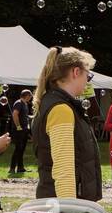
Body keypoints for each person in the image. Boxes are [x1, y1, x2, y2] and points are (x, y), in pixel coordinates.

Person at [31, 46, 104, 202]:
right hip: (64, 206)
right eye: (88, 76)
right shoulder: (60, 109)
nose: (87, 81)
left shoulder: (56, 103)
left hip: (59, 202)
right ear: (76, 72)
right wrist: (69, 212)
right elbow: (64, 169)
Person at [8, 90, 33, 175]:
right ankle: (12, 168)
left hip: (24, 129)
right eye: (30, 96)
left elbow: (24, 116)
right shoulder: (18, 103)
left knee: (22, 149)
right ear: (26, 95)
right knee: (18, 149)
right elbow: (15, 114)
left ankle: (20, 168)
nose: (31, 97)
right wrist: (18, 126)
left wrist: (32, 116)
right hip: (19, 130)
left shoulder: (25, 104)